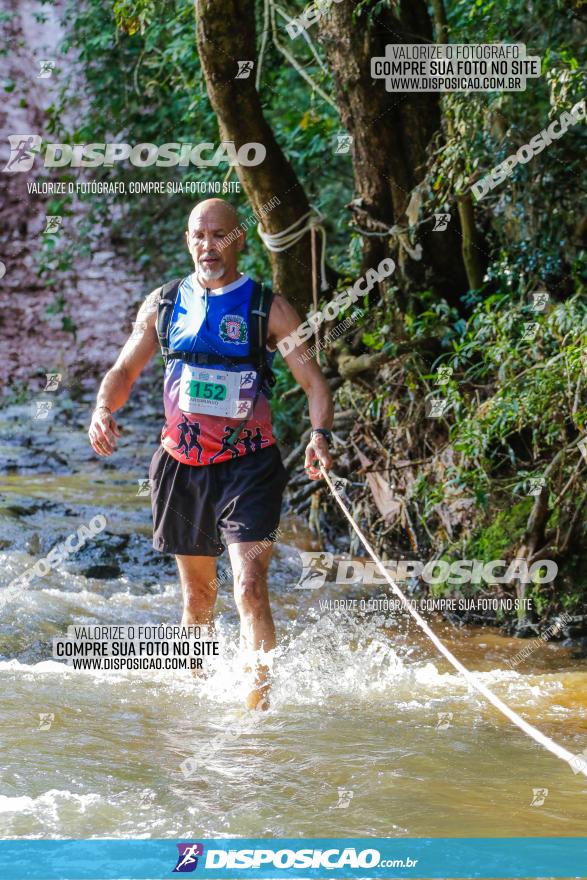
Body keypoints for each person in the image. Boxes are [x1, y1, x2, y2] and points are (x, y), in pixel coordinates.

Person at [88, 198, 333, 708]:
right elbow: (124, 371)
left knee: (248, 586)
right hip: (182, 465)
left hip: (251, 466)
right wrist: (103, 409)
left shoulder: (270, 307)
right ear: (187, 241)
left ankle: (257, 711)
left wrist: (319, 435)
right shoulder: (164, 303)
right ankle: (194, 700)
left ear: (239, 239)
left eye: (219, 235)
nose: (208, 246)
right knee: (198, 598)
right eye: (199, 236)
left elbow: (313, 383)